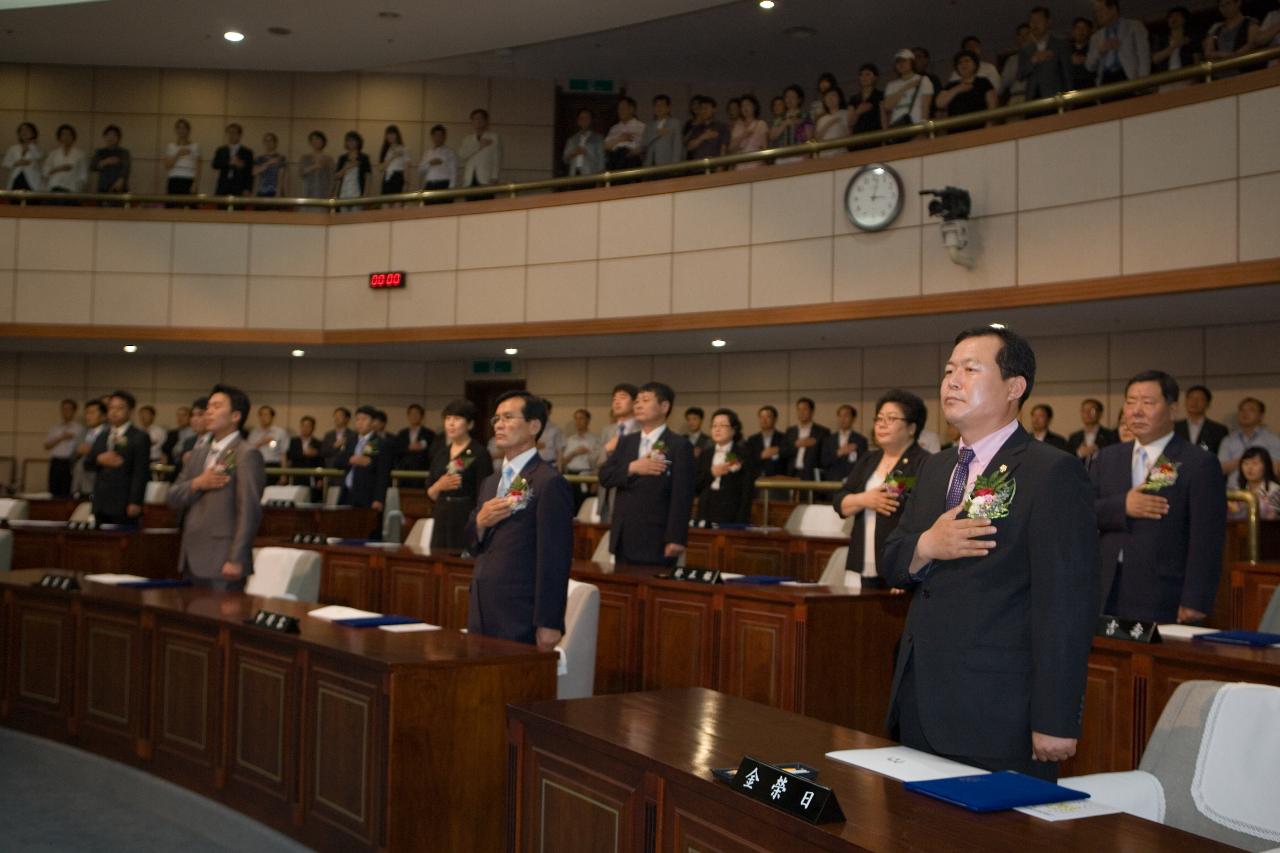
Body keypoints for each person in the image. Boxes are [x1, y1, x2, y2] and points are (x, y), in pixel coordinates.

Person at [882, 326, 1099, 781]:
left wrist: (1055, 718)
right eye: (947, 371)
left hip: (997, 711)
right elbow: (892, 558)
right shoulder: (936, 466)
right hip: (919, 699)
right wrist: (927, 545)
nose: (952, 381)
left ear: (1014, 387)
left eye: (970, 369)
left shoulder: (1051, 472)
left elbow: (1065, 605)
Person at [1092, 370, 1226, 623]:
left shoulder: (1196, 462)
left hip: (1163, 592)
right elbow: (1082, 511)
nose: (1136, 411)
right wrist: (1124, 506)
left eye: (1148, 402)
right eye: (1131, 402)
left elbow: (1207, 539)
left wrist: (1195, 599)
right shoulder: (1108, 458)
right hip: (1106, 588)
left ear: (1173, 409)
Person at [465, 391, 573, 648]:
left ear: (533, 426)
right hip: (482, 605)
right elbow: (471, 543)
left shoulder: (548, 481)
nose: (499, 425)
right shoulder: (492, 482)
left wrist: (549, 621)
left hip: (520, 612)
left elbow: (555, 557)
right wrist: (480, 522)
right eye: (496, 419)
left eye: (508, 417)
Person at [167, 385, 265, 589]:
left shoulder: (246, 454)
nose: (208, 411)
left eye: (217, 406)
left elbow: (249, 510)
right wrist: (197, 483)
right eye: (208, 406)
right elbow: (173, 497)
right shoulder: (198, 453)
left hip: (223, 558)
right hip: (190, 554)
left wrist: (237, 558)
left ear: (236, 416)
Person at [834, 391, 931, 588]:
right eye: (879, 418)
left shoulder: (922, 462)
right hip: (866, 560)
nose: (881, 424)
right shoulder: (869, 459)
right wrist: (863, 499)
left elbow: (913, 512)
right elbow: (840, 502)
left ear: (911, 427)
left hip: (900, 565)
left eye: (891, 418)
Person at [598, 382, 696, 566]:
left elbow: (682, 495)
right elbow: (605, 476)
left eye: (645, 400)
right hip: (624, 536)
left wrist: (676, 537)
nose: (638, 405)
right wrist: (632, 467)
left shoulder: (678, 445)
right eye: (636, 401)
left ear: (664, 407)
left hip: (657, 538)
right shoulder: (626, 442)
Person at [424, 399, 493, 550]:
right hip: (441, 514)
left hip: (466, 515)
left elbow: (485, 492)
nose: (451, 424)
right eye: (448, 419)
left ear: (470, 424)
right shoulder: (440, 452)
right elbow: (430, 491)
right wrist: (439, 486)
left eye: (457, 419)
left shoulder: (478, 452)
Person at [83, 390, 152, 525]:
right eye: (111, 408)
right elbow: (87, 464)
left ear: (130, 411)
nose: (114, 412)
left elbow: (141, 472)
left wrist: (135, 502)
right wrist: (99, 460)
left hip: (123, 502)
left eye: (120, 408)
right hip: (100, 501)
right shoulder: (103, 435)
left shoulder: (138, 437)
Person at [694, 408, 756, 526]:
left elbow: (747, 492)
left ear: (733, 430)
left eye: (723, 425)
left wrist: (741, 521)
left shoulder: (743, 454)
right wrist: (712, 474)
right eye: (714, 425)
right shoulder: (705, 454)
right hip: (706, 512)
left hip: (731, 513)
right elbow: (696, 485)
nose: (717, 429)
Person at [336, 405, 391, 512]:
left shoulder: (378, 442)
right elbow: (338, 461)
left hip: (367, 495)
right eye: (357, 419)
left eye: (364, 419)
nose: (360, 423)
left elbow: (383, 474)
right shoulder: (351, 441)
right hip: (347, 493)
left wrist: (378, 499)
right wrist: (351, 459)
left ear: (373, 422)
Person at [1086, 0, 1151, 89]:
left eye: (1100, 10)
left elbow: (1144, 56)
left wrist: (1143, 81)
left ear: (1113, 9)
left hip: (1129, 76)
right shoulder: (1096, 37)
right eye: (1096, 12)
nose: (1097, 15)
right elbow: (1089, 66)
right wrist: (1100, 51)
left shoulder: (1134, 26)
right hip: (1105, 80)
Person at [1018, 7, 1076, 101]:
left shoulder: (1060, 44)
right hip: (1032, 99)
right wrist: (1033, 60)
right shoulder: (1026, 49)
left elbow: (1068, 75)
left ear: (1048, 22)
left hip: (1055, 98)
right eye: (1032, 21)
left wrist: (1071, 98)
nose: (1035, 24)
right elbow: (1020, 75)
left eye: (1039, 20)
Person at [1219, 397, 1280, 476]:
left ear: (1261, 416)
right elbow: (1220, 468)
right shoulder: (1229, 440)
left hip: (1263, 487)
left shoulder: (1272, 439)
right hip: (1234, 487)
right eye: (1242, 410)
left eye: (1251, 410)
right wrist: (1246, 460)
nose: (1245, 413)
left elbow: (1277, 468)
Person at [937, 50, 998, 122]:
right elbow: (939, 103)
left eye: (967, 61)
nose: (963, 64)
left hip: (980, 125)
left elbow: (992, 106)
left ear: (975, 64)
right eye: (960, 62)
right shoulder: (951, 85)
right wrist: (958, 88)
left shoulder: (983, 82)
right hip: (956, 127)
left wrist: (990, 124)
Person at [783, 397, 830, 484]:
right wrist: (796, 445)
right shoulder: (790, 431)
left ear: (812, 412)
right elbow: (783, 452)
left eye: (805, 409)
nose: (801, 413)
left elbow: (825, 456)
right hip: (792, 473)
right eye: (799, 409)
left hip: (811, 474)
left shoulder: (822, 432)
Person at [1203, 0, 1259, 72]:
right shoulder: (1216, 28)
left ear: (1238, 3)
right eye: (1221, 6)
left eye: (1228, 3)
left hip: (1244, 69)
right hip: (1221, 71)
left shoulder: (1250, 23)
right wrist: (1218, 55)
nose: (1225, 8)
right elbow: (1208, 53)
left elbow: (1252, 45)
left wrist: (1229, 55)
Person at [883, 49, 934, 128]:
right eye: (898, 62)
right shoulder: (891, 85)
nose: (901, 64)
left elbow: (925, 107)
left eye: (904, 61)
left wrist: (923, 129)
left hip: (917, 126)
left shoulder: (923, 80)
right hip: (897, 128)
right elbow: (887, 106)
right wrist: (906, 87)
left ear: (912, 62)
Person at [562, 408, 601, 511]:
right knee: (569, 506)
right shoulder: (570, 440)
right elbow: (564, 461)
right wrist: (575, 453)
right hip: (570, 475)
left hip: (586, 475)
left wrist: (596, 481)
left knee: (584, 507)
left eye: (581, 418)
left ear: (588, 420)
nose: (578, 421)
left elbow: (598, 462)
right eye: (576, 418)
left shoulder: (595, 440)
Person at [458, 108, 501, 198]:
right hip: (470, 178)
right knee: (470, 206)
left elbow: (496, 159)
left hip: (486, 178)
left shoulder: (493, 137)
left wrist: (494, 177)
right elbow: (462, 155)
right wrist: (478, 146)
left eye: (480, 118)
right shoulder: (467, 139)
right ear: (472, 122)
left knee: (486, 205)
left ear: (485, 121)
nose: (478, 121)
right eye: (475, 119)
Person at [44, 399, 83, 498]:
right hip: (56, 461)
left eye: (69, 409)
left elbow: (80, 448)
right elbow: (46, 446)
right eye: (64, 409)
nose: (66, 412)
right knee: (53, 489)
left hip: (69, 462)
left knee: (67, 490)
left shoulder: (79, 429)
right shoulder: (55, 428)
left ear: (74, 411)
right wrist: (61, 438)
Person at [820, 404, 869, 483]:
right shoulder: (829, 439)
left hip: (853, 481)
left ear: (853, 419)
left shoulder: (860, 440)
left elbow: (863, 463)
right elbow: (824, 462)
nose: (843, 419)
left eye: (846, 416)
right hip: (832, 482)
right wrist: (839, 453)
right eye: (840, 416)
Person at [1174, 384, 1228, 454]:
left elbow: (1221, 457)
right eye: (1191, 398)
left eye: (1200, 399)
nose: (1194, 402)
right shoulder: (1173, 427)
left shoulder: (1219, 430)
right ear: (1185, 402)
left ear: (1208, 404)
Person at [1228, 446, 1280, 520]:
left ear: (1266, 466)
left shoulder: (1275, 490)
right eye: (1246, 463)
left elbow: (1272, 519)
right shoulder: (1237, 491)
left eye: (1255, 463)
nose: (1249, 468)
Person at [1152, 6, 1196, 92]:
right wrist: (1174, 46)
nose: (1173, 19)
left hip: (1186, 78)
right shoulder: (1162, 40)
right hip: (1166, 79)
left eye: (1177, 16)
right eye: (1170, 17)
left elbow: (1196, 59)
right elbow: (1155, 59)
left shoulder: (1191, 38)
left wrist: (1194, 80)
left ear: (1184, 19)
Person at [71, 399, 107, 499]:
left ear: (103, 416)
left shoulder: (108, 433)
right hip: (78, 485)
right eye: (86, 413)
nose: (88, 416)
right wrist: (77, 453)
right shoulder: (82, 433)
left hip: (96, 485)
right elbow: (71, 457)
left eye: (92, 413)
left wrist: (91, 452)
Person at [1066, 397, 1119, 464]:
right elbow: (1067, 459)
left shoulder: (1110, 435)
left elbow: (1114, 456)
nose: (1087, 413)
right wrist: (1079, 453)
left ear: (1100, 414)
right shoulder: (1074, 437)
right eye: (1084, 411)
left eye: (1092, 410)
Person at [769, 84, 813, 163]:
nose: (789, 100)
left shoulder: (804, 115)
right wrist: (785, 123)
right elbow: (772, 136)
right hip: (781, 156)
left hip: (799, 155)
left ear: (799, 99)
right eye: (787, 97)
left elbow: (809, 137)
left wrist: (808, 154)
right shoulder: (780, 117)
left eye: (792, 97)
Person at [42, 124, 88, 198]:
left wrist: (78, 188)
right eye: (63, 134)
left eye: (69, 135)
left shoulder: (80, 154)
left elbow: (83, 175)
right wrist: (58, 169)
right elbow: (45, 172)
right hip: (54, 186)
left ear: (73, 137)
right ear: (59, 138)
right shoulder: (53, 154)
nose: (66, 137)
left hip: (72, 188)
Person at [745, 404, 789, 480]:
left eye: (768, 417)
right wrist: (761, 456)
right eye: (761, 417)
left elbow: (788, 458)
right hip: (757, 480)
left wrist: (778, 452)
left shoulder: (784, 438)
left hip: (779, 481)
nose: (764, 420)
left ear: (775, 419)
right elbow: (748, 460)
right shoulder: (752, 439)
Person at [640, 94, 685, 168]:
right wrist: (657, 134)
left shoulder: (675, 123)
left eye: (662, 105)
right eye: (656, 105)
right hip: (649, 164)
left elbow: (677, 146)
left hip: (667, 164)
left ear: (668, 108)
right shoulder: (649, 125)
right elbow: (644, 143)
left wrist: (675, 165)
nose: (659, 108)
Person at [286, 415, 324, 498]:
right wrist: (304, 453)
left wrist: (320, 479)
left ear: (313, 428)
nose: (305, 428)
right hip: (297, 475)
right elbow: (290, 455)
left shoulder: (318, 443)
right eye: (303, 426)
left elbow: (321, 461)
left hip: (312, 477)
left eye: (308, 426)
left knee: (312, 498)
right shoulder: (294, 441)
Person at [604, 96, 646, 172]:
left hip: (632, 160)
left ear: (632, 109)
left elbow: (645, 146)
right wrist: (620, 139)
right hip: (614, 160)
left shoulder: (641, 127)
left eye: (623, 108)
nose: (620, 111)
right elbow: (605, 146)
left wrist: (633, 152)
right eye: (619, 109)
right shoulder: (614, 128)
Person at [212, 123, 253, 197]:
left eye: (234, 132)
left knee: (238, 208)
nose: (231, 135)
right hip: (223, 185)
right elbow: (215, 164)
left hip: (239, 185)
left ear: (240, 135)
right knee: (221, 207)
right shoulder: (221, 150)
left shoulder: (247, 152)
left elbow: (249, 172)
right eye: (229, 132)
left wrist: (248, 188)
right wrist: (228, 162)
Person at [419, 124, 458, 202]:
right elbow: (420, 170)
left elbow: (453, 171)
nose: (438, 138)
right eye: (436, 135)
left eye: (440, 135)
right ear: (432, 137)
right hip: (429, 184)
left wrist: (451, 188)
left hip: (444, 184)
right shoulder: (427, 153)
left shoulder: (449, 152)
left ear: (444, 137)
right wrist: (429, 163)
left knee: (445, 211)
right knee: (429, 211)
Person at [728, 94, 768, 170]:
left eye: (748, 105)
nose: (745, 108)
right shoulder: (738, 125)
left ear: (754, 107)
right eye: (743, 106)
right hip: (739, 165)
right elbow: (731, 148)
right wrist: (743, 135)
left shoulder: (761, 124)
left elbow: (764, 147)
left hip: (756, 165)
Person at [89, 125, 131, 196]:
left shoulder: (124, 152)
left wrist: (121, 180)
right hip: (103, 187)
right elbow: (92, 167)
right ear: (104, 137)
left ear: (118, 138)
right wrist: (105, 162)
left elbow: (126, 168)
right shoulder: (99, 152)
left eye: (114, 135)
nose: (111, 137)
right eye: (108, 135)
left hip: (120, 188)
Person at [684, 96, 729, 161]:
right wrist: (703, 136)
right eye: (702, 108)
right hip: (697, 167)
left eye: (706, 108)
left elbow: (723, 149)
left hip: (714, 166)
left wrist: (720, 167)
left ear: (714, 109)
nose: (704, 111)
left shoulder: (722, 127)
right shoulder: (696, 128)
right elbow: (689, 147)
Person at [163, 118, 200, 198]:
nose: (181, 130)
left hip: (189, 180)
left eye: (184, 128)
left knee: (189, 208)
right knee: (172, 208)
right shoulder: (170, 146)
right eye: (179, 128)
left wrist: (195, 183)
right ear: (176, 130)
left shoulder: (195, 147)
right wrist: (178, 154)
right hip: (174, 179)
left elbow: (198, 167)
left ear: (188, 130)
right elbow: (167, 166)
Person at [563, 108, 604, 177]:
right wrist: (574, 153)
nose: (584, 120)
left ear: (591, 120)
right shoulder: (572, 139)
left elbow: (601, 160)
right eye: (581, 118)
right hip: (574, 173)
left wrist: (586, 152)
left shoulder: (598, 138)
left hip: (591, 173)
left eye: (587, 118)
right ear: (578, 121)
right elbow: (565, 159)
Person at [335, 131, 371, 210]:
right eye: (348, 140)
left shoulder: (364, 157)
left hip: (357, 193)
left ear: (358, 142)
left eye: (353, 140)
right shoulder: (342, 158)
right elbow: (337, 176)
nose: (350, 142)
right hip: (343, 194)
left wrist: (365, 195)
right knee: (343, 218)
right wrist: (346, 167)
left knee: (356, 217)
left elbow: (368, 177)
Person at [3, 122, 42, 191]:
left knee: (32, 199)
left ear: (33, 133)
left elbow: (38, 156)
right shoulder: (13, 148)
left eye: (27, 130)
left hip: (32, 180)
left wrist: (31, 145)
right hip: (16, 178)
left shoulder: (37, 148)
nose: (24, 132)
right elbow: (5, 163)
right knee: (15, 199)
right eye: (22, 130)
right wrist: (16, 163)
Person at [848, 64, 885, 137]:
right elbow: (850, 123)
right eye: (861, 75)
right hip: (858, 138)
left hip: (876, 136)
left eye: (868, 74)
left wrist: (885, 138)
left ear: (875, 77)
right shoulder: (854, 99)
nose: (864, 77)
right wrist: (858, 112)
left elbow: (884, 119)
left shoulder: (880, 95)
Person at [396, 404, 434, 472]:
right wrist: (408, 448)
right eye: (411, 414)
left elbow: (432, 451)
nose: (414, 416)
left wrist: (421, 447)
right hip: (404, 470)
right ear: (408, 416)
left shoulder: (429, 434)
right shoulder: (402, 434)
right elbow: (397, 450)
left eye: (417, 414)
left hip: (422, 469)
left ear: (422, 417)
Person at [299, 130, 333, 205]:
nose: (315, 141)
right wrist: (315, 166)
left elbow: (331, 178)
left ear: (323, 141)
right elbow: (301, 173)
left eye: (318, 139)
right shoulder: (305, 157)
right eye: (313, 139)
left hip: (324, 193)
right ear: (310, 142)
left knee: (322, 215)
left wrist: (331, 193)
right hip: (308, 192)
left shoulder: (328, 159)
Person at [812, 86, 849, 155]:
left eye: (833, 95)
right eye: (827, 96)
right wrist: (830, 123)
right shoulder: (821, 119)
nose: (830, 98)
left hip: (841, 154)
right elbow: (816, 140)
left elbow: (849, 135)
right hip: (824, 155)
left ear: (840, 98)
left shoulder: (846, 113)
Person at [377, 124, 408, 197]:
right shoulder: (385, 150)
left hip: (398, 177)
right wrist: (392, 157)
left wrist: (406, 183)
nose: (390, 136)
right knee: (385, 204)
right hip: (387, 177)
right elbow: (380, 168)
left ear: (397, 135)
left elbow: (406, 167)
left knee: (397, 204)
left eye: (392, 133)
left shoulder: (403, 149)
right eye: (388, 134)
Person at [253, 132, 287, 198]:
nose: (268, 143)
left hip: (275, 191)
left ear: (275, 143)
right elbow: (254, 172)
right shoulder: (259, 159)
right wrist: (268, 163)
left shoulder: (280, 158)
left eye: (270, 140)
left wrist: (278, 192)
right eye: (266, 141)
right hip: (261, 191)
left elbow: (281, 177)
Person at [537, 400, 565, 466]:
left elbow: (559, 451)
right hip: (534, 465)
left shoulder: (556, 429)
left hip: (551, 464)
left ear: (549, 411)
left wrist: (559, 470)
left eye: (544, 410)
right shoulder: (531, 428)